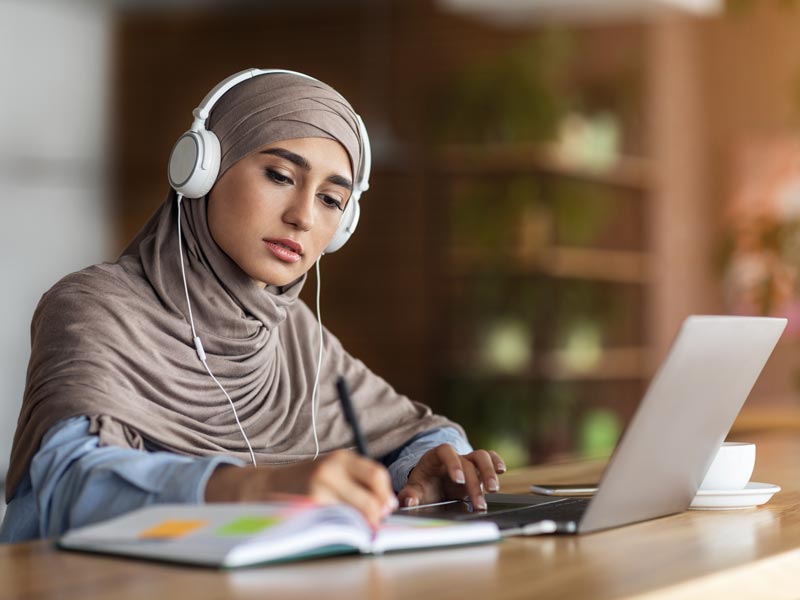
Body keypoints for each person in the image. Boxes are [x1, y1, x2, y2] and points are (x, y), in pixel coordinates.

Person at [0, 69, 505, 543]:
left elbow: (420, 429)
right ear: (201, 170)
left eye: (332, 200)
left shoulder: (295, 334)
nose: (304, 216)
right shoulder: (96, 306)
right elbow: (71, 485)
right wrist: (251, 487)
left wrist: (420, 467)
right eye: (281, 175)